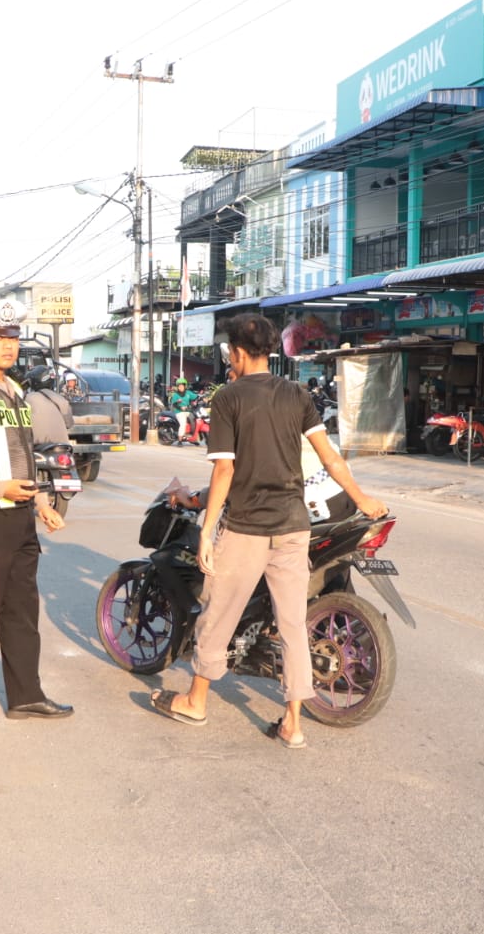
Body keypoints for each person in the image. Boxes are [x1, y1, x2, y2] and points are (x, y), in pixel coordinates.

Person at [148, 314, 386, 749]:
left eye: (228, 352)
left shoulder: (228, 397)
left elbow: (224, 469)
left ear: (237, 353)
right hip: (294, 527)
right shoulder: (296, 394)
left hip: (246, 527)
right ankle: (293, 724)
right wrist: (362, 497)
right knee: (293, 624)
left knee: (218, 613)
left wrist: (205, 531)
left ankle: (195, 701)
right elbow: (330, 457)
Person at [0, 299, 74, 721]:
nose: (8, 345)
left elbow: (22, 456)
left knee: (23, 613)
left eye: (13, 338)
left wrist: (41, 502)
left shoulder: (15, 390)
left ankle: (26, 695)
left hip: (20, 519)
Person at [23, 365, 73, 445]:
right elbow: (69, 424)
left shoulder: (28, 399)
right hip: (62, 446)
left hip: (38, 446)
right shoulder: (61, 399)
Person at [168, 377, 198, 443]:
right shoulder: (175, 395)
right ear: (177, 387)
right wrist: (180, 407)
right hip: (179, 412)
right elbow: (174, 404)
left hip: (187, 411)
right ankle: (180, 440)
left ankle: (192, 437)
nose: (181, 387)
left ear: (185, 386)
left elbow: (196, 396)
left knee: (195, 419)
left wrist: (201, 398)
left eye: (182, 386)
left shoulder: (188, 393)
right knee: (183, 424)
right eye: (179, 386)